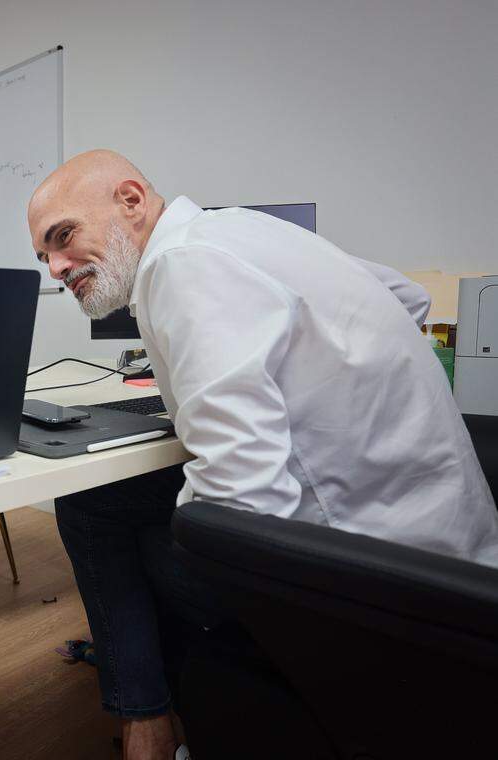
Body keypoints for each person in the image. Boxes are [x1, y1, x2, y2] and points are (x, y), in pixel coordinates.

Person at [26, 149, 498, 760]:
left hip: (365, 578)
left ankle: (149, 721)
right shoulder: (247, 229)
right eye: (43, 257)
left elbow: (244, 502)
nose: (57, 267)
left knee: (96, 510)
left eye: (63, 237)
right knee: (118, 502)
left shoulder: (181, 264)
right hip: (452, 554)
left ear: (132, 201)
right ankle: (154, 704)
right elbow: (407, 299)